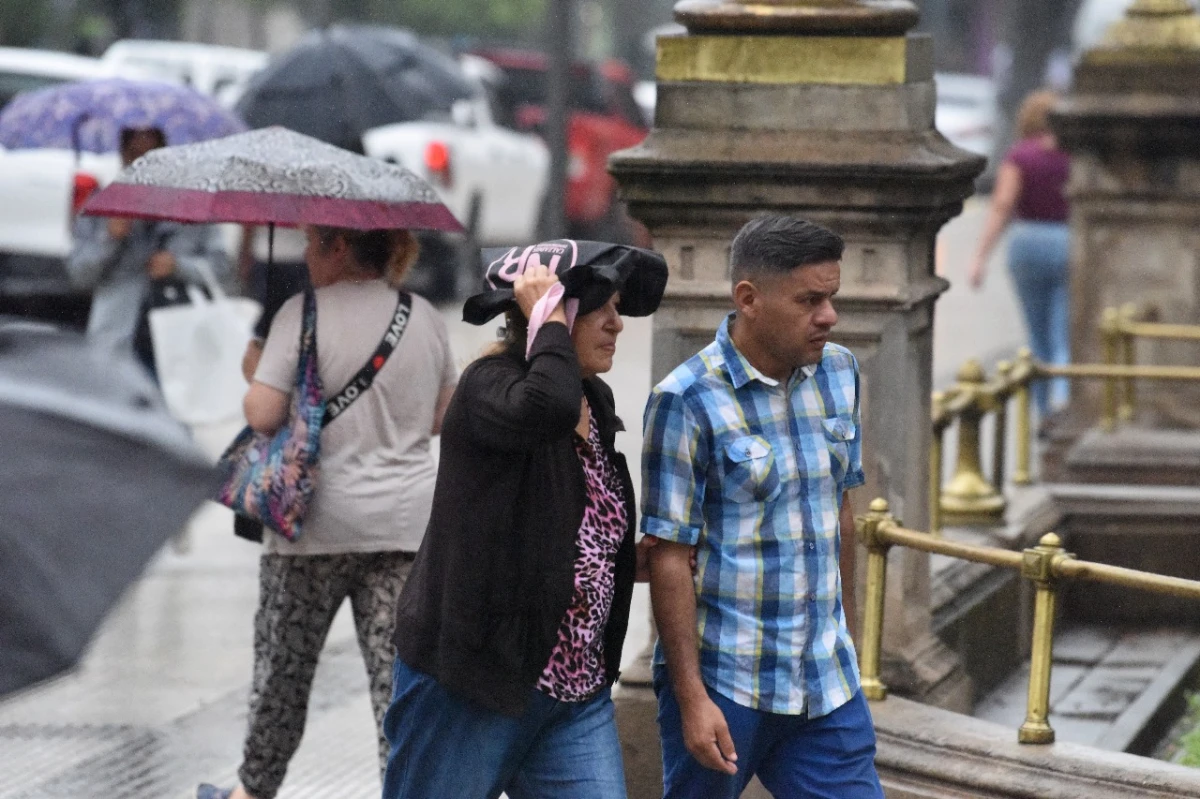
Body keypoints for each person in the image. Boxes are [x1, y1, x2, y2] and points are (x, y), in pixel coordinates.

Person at [380, 239, 668, 799]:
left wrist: (622, 561)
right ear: (551, 314)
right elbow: (545, 411)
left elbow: (557, 518)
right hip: (476, 684)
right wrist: (546, 319)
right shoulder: (491, 388)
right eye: (601, 307)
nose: (617, 324)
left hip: (572, 695)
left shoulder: (591, 400)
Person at [196, 225, 458, 799]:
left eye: (314, 244)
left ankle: (252, 792)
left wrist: (255, 372)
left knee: (283, 675)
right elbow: (442, 417)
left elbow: (263, 415)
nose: (307, 256)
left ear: (340, 248)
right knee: (398, 686)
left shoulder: (302, 312)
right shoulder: (425, 316)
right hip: (406, 528)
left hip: (311, 528)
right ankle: (407, 789)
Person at [642, 215, 883, 799]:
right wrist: (692, 699)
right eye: (809, 300)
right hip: (728, 681)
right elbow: (668, 557)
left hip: (825, 684)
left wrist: (848, 641)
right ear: (748, 299)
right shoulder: (685, 400)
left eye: (832, 297)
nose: (829, 316)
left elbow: (840, 511)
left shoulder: (840, 372)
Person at [66, 127, 228, 372]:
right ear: (122, 156)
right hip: (116, 344)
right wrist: (110, 238)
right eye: (135, 155)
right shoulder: (100, 207)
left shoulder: (195, 209)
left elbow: (222, 270)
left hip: (178, 347)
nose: (143, 164)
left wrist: (178, 266)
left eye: (153, 156)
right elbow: (79, 276)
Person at [968, 89, 1072, 419]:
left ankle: (1042, 413)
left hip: (1027, 242)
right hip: (1069, 241)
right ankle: (1063, 395)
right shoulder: (1075, 155)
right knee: (1063, 331)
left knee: (1036, 333)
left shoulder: (1020, 156)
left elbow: (1002, 206)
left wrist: (980, 256)